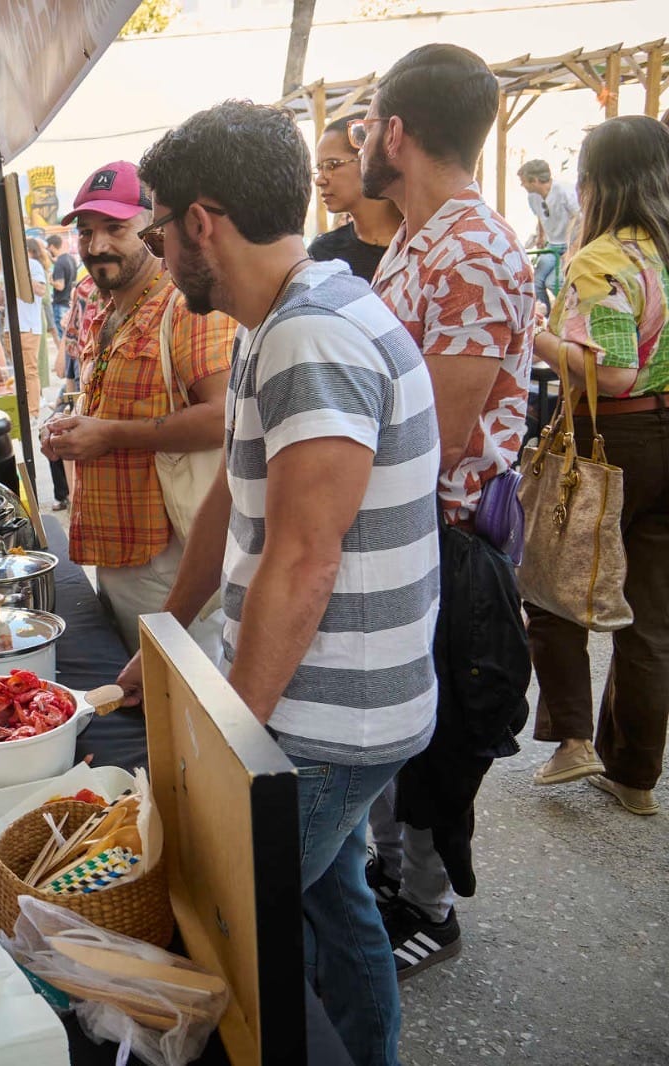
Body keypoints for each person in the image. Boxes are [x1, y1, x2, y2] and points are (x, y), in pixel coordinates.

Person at [125, 101, 441, 1066]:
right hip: (327, 707)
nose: (155, 246)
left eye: (156, 226)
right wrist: (166, 640)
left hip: (329, 717)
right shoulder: (282, 318)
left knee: (232, 925)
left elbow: (306, 560)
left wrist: (235, 749)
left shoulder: (312, 334)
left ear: (202, 222)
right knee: (336, 902)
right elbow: (236, 490)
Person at [359, 43, 536, 982]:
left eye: (367, 125)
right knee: (399, 732)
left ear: (397, 132)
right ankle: (395, 884)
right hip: (407, 529)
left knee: (430, 739)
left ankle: (430, 908)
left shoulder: (467, 248)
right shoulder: (421, 236)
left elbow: (449, 424)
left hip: (442, 538)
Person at [525, 115, 669, 817]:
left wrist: (541, 338)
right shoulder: (663, 252)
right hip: (667, 439)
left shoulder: (602, 257)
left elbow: (607, 376)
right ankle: (636, 778)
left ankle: (573, 739)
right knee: (651, 617)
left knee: (551, 581)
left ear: (595, 180)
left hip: (610, 439)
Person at [37, 161, 234, 657]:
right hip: (117, 549)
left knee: (179, 701)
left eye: (115, 228)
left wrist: (109, 434)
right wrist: (75, 426)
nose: (96, 245)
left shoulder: (187, 306)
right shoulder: (107, 306)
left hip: (170, 553)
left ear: (151, 227)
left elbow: (224, 418)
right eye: (85, 231)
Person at [309, 117, 402, 281]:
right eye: (319, 169)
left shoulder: (420, 242)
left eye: (332, 165)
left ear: (367, 157)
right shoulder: (324, 254)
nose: (319, 180)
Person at [48, 273, 101, 510]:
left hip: (87, 401)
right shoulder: (79, 338)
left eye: (77, 305)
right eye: (73, 305)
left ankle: (72, 497)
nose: (75, 310)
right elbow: (63, 372)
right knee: (52, 430)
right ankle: (70, 496)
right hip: (77, 396)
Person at [519, 158, 582, 312]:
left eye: (524, 181)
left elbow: (582, 220)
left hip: (571, 243)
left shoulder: (564, 191)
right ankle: (544, 318)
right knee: (537, 281)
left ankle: (571, 313)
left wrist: (573, 248)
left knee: (554, 282)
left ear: (534, 180)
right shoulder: (533, 196)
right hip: (552, 244)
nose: (522, 185)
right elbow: (540, 216)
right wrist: (541, 236)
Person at [12, 236, 51, 417]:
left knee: (29, 371)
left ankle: (33, 412)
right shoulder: (10, 266)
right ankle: (25, 409)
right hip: (13, 325)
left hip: (27, 325)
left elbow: (41, 290)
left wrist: (20, 276)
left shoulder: (32, 265)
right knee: (20, 372)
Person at [49, 233, 78, 339]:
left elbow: (60, 286)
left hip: (60, 303)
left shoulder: (59, 263)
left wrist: (51, 281)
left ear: (52, 246)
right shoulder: (70, 259)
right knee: (71, 338)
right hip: (69, 302)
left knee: (64, 339)